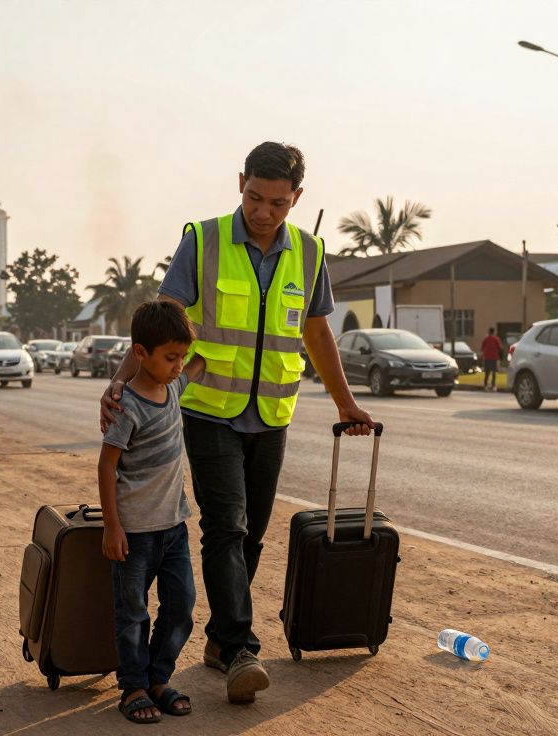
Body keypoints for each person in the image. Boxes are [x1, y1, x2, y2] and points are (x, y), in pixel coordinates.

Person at [101, 142, 375, 704]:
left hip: (272, 413)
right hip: (207, 408)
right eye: (255, 197)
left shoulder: (309, 251)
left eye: (278, 202)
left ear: (296, 198)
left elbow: (316, 331)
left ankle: (221, 641)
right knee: (225, 525)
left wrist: (345, 403)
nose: (264, 212)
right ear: (240, 183)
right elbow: (165, 318)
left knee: (251, 533)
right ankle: (242, 646)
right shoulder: (201, 240)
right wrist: (121, 382)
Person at [99, 301, 205, 724]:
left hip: (173, 529)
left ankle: (159, 678)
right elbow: (106, 466)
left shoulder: (174, 386)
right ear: (139, 353)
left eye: (181, 356)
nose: (179, 365)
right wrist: (112, 527)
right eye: (169, 357)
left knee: (181, 606)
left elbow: (200, 363)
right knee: (133, 615)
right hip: (135, 534)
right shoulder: (126, 405)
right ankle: (134, 688)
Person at [480, 326, 504, 391]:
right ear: (494, 332)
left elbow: (482, 348)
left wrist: (483, 354)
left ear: (489, 332)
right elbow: (500, 348)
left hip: (487, 357)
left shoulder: (486, 339)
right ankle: (493, 385)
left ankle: (485, 386)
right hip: (494, 357)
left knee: (487, 372)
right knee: (494, 372)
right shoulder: (496, 339)